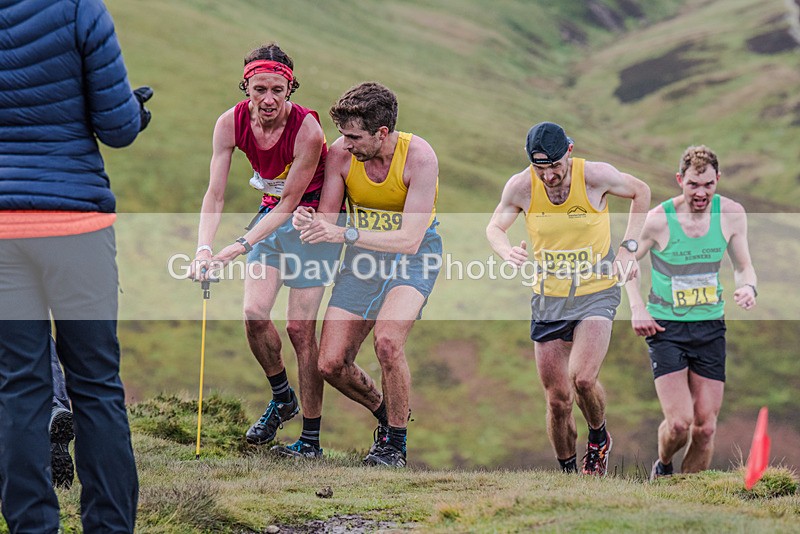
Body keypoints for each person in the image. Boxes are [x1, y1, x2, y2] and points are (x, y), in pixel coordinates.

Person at [0, 0, 151, 530]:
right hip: (75, 228)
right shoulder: (80, 10)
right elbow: (117, 127)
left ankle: (31, 526)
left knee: (19, 387)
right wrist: (136, 111)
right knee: (96, 385)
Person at [193, 44, 342, 458]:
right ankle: (282, 397)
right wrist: (204, 249)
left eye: (278, 89)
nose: (269, 99)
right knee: (254, 314)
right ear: (247, 87)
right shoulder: (230, 123)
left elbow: (290, 205)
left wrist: (236, 248)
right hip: (270, 218)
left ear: (290, 87)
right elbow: (215, 193)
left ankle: (310, 439)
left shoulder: (308, 131)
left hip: (312, 224)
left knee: (299, 330)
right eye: (260, 89)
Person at [486, 122, 650, 475]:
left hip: (596, 292)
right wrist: (506, 252)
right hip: (549, 299)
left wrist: (628, 249)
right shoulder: (521, 186)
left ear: (569, 152)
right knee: (558, 401)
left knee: (583, 379)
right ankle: (569, 475)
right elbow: (494, 226)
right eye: (539, 168)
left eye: (554, 167)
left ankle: (598, 438)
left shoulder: (595, 176)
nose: (548, 177)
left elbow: (642, 192)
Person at [292, 82, 441, 467]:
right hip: (363, 261)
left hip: (414, 256)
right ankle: (387, 415)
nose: (346, 144)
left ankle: (395, 447)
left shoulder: (420, 158)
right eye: (343, 135)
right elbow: (327, 218)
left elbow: (410, 240)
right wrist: (308, 220)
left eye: (354, 136)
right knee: (330, 364)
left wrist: (345, 232)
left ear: (382, 133)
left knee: (388, 342)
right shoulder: (342, 155)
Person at [623, 145, 757, 481]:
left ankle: (687, 491)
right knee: (680, 424)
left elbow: (744, 266)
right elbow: (624, 263)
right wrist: (637, 307)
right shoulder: (658, 220)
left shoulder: (731, 214)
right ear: (680, 180)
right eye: (693, 185)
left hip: (710, 327)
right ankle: (664, 466)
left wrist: (748, 287)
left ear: (718, 180)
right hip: (665, 328)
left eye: (708, 185)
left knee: (706, 427)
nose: (701, 193)